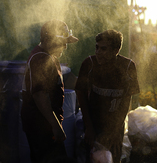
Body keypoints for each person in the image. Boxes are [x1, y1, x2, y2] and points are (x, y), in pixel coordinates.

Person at [75, 29, 140, 163]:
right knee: (93, 158)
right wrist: (89, 127)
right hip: (93, 123)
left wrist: (115, 131)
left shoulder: (128, 67)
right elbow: (81, 94)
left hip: (115, 125)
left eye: (103, 49)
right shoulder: (89, 64)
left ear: (116, 50)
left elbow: (126, 101)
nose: (98, 52)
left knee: (113, 158)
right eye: (97, 47)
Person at [21, 20, 79, 163]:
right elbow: (40, 94)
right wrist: (55, 126)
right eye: (62, 42)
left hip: (44, 125)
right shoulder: (41, 58)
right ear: (48, 40)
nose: (65, 47)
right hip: (41, 127)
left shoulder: (48, 57)